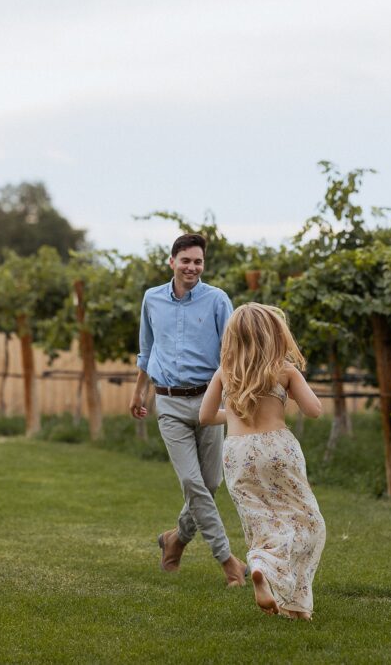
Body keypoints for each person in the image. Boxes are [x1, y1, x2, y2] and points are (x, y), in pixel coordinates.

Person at [129, 233, 249, 587]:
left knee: (210, 483)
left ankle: (175, 540)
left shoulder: (217, 300)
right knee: (191, 482)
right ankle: (228, 561)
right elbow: (146, 351)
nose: (192, 267)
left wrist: (238, 396)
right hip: (168, 401)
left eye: (198, 262)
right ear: (172, 262)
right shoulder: (152, 299)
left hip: (210, 401)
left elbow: (231, 353)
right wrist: (139, 393)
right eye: (185, 261)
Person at [199, 302, 326, 619]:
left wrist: (238, 412)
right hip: (278, 450)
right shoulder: (284, 370)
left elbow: (204, 416)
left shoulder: (225, 373)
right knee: (307, 521)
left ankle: (258, 564)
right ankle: (294, 604)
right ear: (273, 334)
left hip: (237, 453)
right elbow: (314, 410)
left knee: (261, 524)